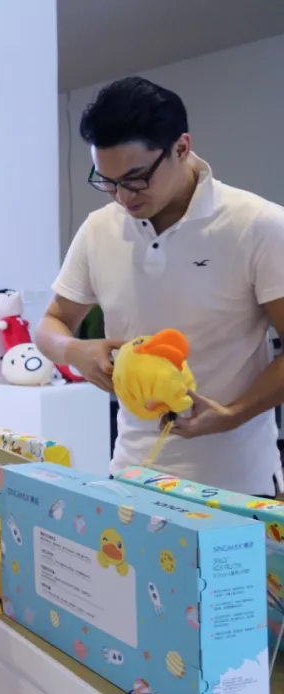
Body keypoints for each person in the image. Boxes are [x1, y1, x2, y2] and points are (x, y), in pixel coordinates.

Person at [36, 76, 284, 497]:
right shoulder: (99, 229)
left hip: (238, 485)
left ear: (181, 148)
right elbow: (51, 323)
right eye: (107, 180)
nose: (122, 197)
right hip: (132, 477)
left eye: (135, 178)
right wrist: (74, 351)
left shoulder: (258, 225)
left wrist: (231, 415)